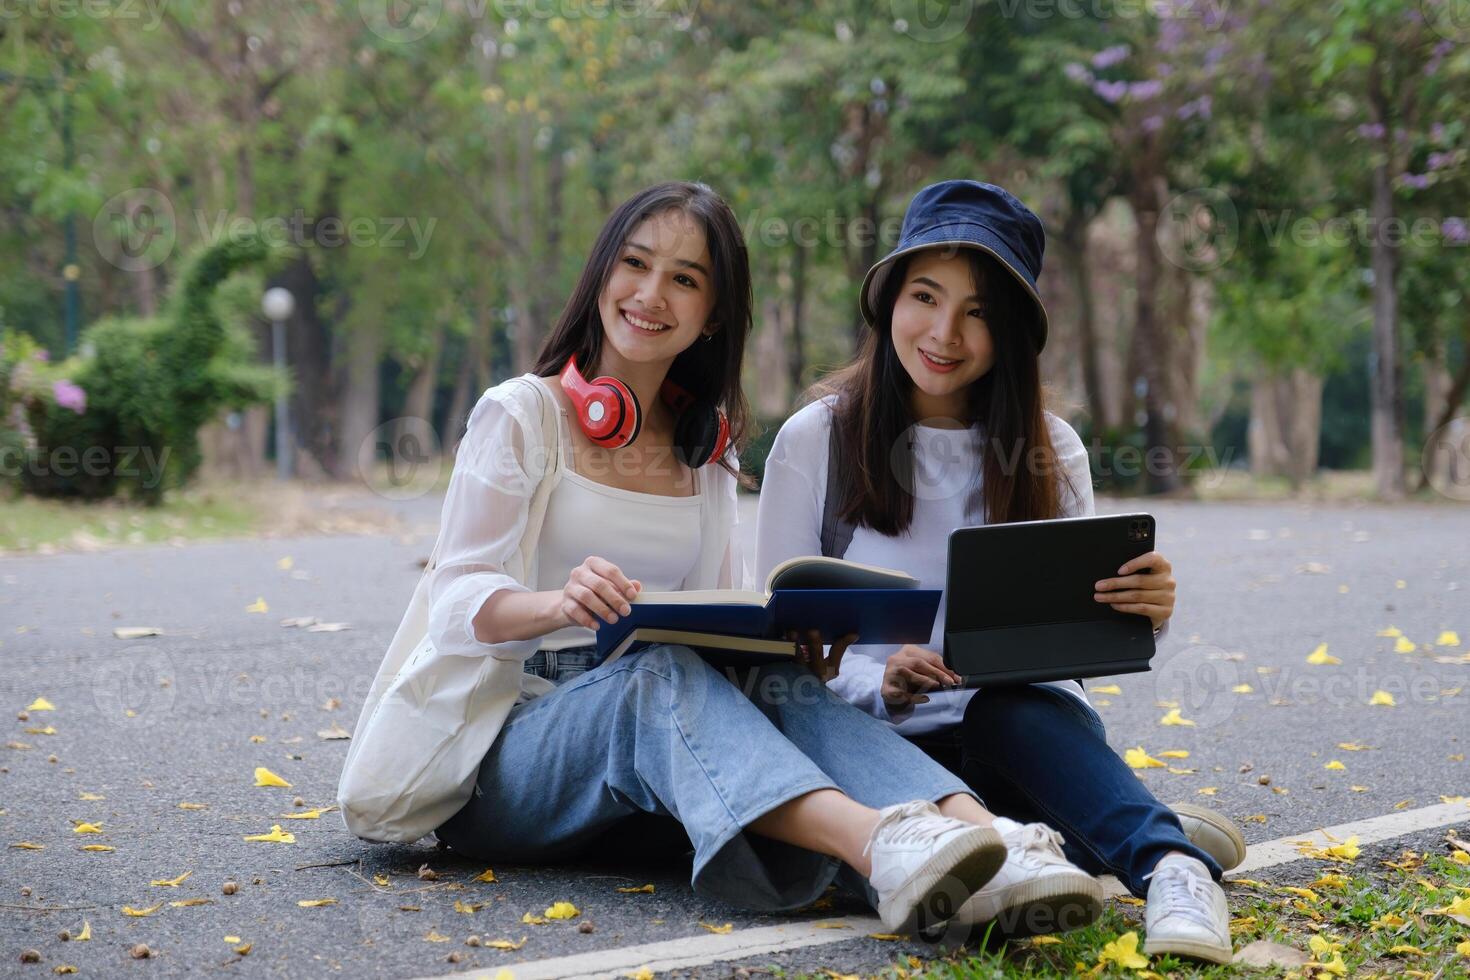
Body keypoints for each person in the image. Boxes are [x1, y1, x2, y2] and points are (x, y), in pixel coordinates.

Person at [341, 180, 1091, 935]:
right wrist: (555, 603)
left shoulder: (706, 447)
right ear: (602, 272)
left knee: (775, 678)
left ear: (714, 314)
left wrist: (793, 653)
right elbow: (455, 599)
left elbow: (712, 627)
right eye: (635, 264)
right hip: (508, 754)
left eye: (686, 279)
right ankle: (879, 846)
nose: (651, 293)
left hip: (652, 745)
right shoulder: (519, 415)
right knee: (654, 675)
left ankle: (989, 841)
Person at [755, 180, 1244, 962]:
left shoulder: (1052, 450)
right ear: (888, 302)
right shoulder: (817, 440)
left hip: (1017, 734)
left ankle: (1175, 869)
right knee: (891, 868)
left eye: (979, 311)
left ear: (1010, 330)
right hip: (876, 755)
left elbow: (1077, 645)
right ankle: (1110, 824)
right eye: (925, 295)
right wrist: (876, 681)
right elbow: (778, 643)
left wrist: (1145, 607)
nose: (945, 332)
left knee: (1013, 707)